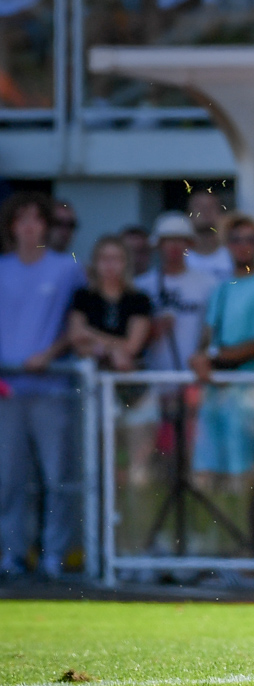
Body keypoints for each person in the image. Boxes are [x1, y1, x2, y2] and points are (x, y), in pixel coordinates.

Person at [0, 191, 86, 579]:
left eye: (37, 219)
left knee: (58, 480)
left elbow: (79, 325)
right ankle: (14, 554)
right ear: (12, 226)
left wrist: (49, 354)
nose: (30, 226)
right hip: (8, 391)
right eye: (23, 219)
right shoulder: (2, 268)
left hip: (52, 388)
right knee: (10, 480)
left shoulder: (67, 269)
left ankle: (54, 555)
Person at [190, 213, 254, 483]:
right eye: (236, 239)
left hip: (249, 392)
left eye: (250, 239)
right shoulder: (222, 289)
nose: (243, 245)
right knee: (207, 472)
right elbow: (207, 337)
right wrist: (200, 358)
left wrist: (213, 359)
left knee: (243, 474)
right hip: (216, 391)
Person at [137, 212, 221, 372]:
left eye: (180, 240)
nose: (174, 246)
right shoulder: (142, 285)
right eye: (168, 240)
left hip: (195, 379)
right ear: (159, 245)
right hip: (153, 376)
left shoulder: (209, 283)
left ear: (189, 244)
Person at [66, 236, 152, 372]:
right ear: (95, 262)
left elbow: (132, 347)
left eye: (116, 259)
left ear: (126, 262)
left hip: (127, 377)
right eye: (104, 258)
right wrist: (114, 349)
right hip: (90, 376)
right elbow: (76, 339)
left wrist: (90, 334)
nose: (110, 265)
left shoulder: (139, 299)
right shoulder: (83, 296)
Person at [185, 189, 233, 281]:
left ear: (221, 214)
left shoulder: (234, 255)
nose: (205, 212)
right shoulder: (180, 258)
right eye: (199, 207)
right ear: (188, 214)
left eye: (211, 207)